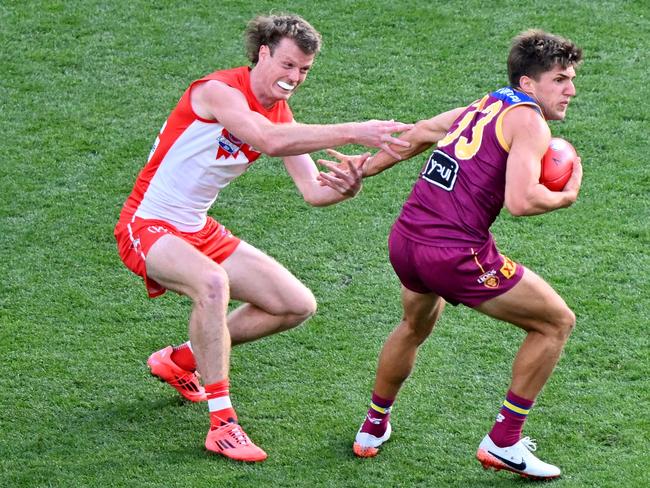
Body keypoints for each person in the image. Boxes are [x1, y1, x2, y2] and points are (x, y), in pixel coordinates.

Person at [113, 13, 413, 463]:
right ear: (263, 53)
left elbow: (313, 191)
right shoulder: (216, 91)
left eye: (304, 71)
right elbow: (269, 140)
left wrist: (347, 187)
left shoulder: (280, 112)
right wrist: (355, 129)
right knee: (213, 284)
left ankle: (181, 361)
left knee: (296, 304)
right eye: (288, 65)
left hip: (197, 228)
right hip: (147, 224)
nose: (295, 78)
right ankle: (222, 423)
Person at [325, 30, 583, 480]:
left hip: (406, 241)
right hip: (454, 254)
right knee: (556, 322)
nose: (571, 90)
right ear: (528, 84)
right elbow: (521, 202)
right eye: (560, 79)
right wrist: (566, 196)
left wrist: (360, 170)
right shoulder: (529, 122)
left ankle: (372, 428)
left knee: (414, 325)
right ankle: (503, 442)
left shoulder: (489, 103)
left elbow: (422, 132)